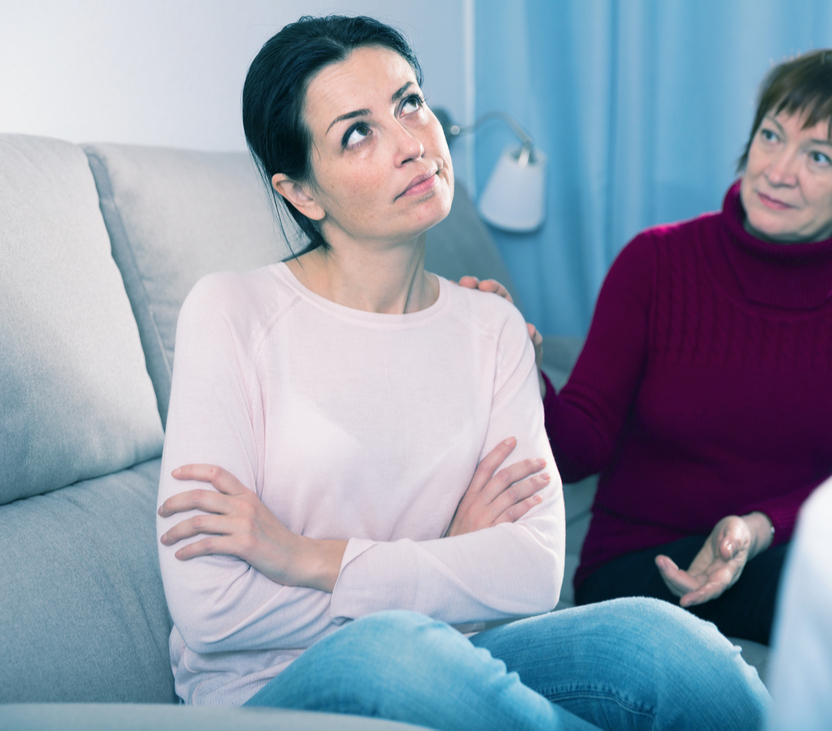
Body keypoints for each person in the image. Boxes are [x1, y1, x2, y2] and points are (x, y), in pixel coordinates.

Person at [155, 15, 769, 731]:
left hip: (457, 653)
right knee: (394, 646)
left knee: (669, 647)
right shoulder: (231, 312)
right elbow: (210, 607)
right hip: (276, 686)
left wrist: (303, 556)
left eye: (409, 102)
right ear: (302, 194)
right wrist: (449, 559)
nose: (412, 143)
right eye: (358, 132)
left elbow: (533, 570)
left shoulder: (492, 328)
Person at [528, 49, 832, 646]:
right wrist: (519, 370)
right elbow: (580, 447)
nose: (778, 170)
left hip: (796, 554)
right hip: (645, 568)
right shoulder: (655, 262)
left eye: (819, 156)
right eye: (772, 136)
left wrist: (760, 528)